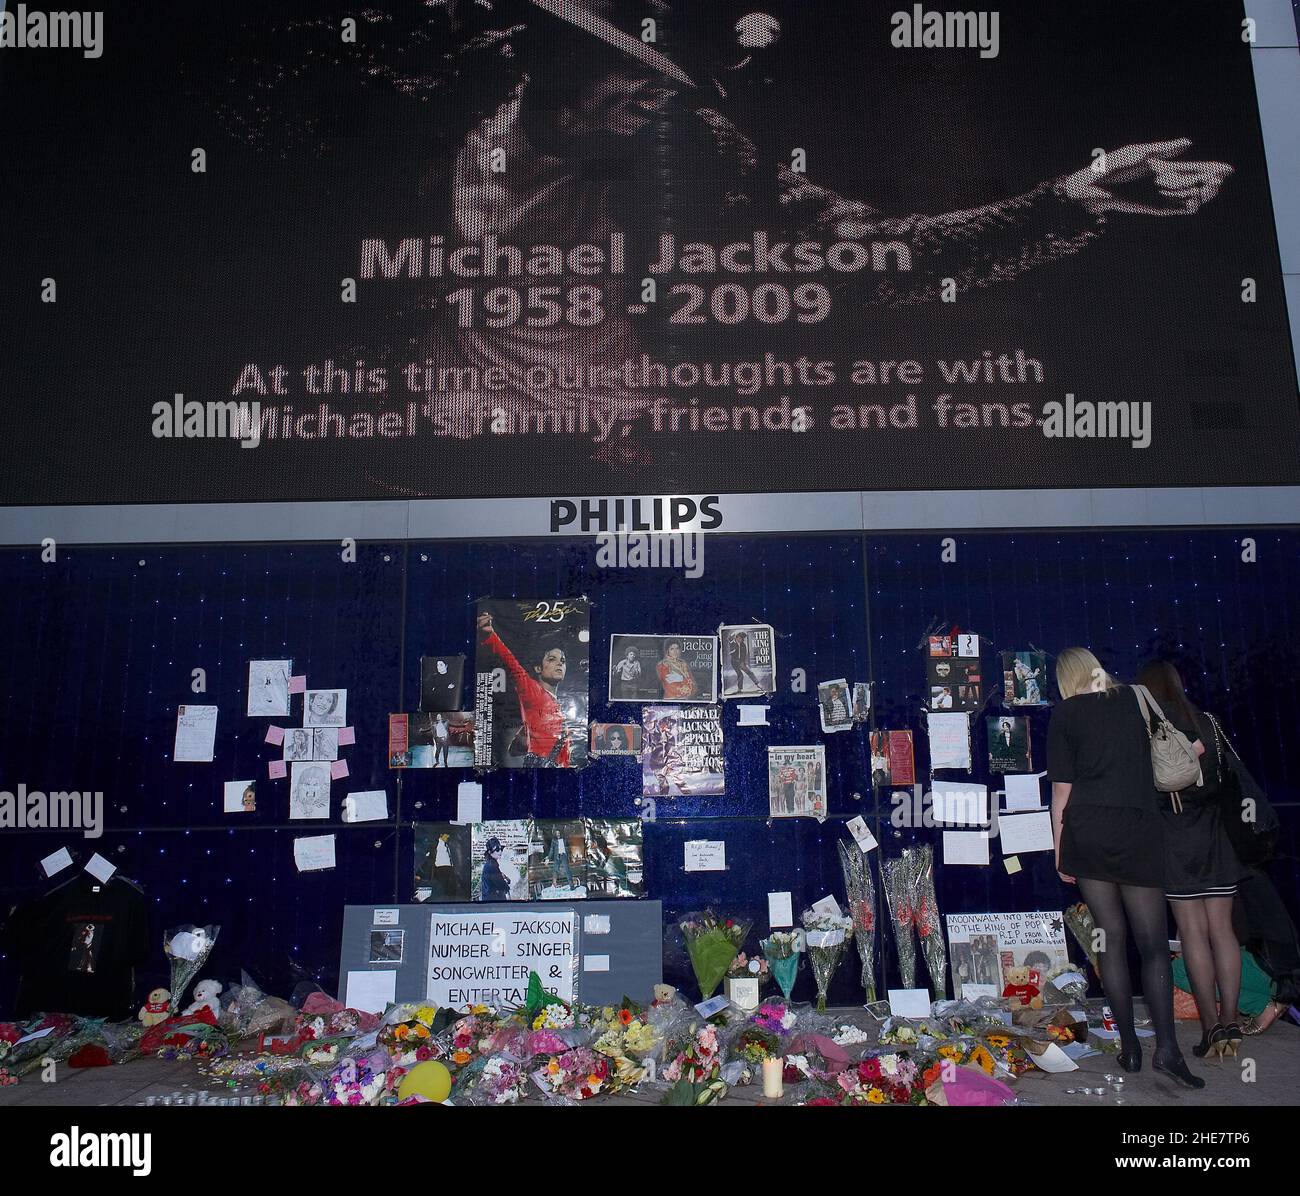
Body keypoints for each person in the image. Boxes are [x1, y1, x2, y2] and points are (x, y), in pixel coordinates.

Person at [1047, 647, 1202, 1087]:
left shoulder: (1065, 715)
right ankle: (1168, 1050)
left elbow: (1062, 794)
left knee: (1109, 941)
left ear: (1065, 680)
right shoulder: (1136, 698)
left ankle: (1130, 1049)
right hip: (1137, 829)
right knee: (1153, 944)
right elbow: (1191, 745)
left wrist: (1060, 853)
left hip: (1089, 833)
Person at [1136, 660, 1247, 1059]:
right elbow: (1229, 778)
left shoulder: (1147, 730)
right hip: (1216, 839)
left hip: (1175, 843)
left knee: (1192, 935)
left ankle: (1211, 1028)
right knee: (1223, 931)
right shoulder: (1208, 723)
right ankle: (1232, 1020)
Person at [478, 609, 572, 766]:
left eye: (562, 660)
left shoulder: (561, 706)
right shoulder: (533, 691)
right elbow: (512, 664)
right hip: (538, 767)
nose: (560, 663)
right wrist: (491, 636)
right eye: (552, 659)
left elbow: (563, 754)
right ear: (538, 668)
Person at [727, 630, 763, 695]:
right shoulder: (732, 642)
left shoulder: (743, 645)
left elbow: (744, 655)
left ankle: (758, 684)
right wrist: (735, 633)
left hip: (741, 662)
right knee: (740, 675)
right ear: (736, 637)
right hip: (734, 662)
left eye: (742, 638)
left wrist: (743, 662)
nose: (740, 640)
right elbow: (729, 638)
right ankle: (739, 689)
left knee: (750, 672)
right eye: (739, 638)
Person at [480, 837, 512, 901]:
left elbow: (497, 877)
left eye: (501, 849)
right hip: (492, 902)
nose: (500, 852)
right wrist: (507, 886)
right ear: (490, 852)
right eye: (497, 850)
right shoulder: (492, 865)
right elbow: (500, 883)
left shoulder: (490, 863)